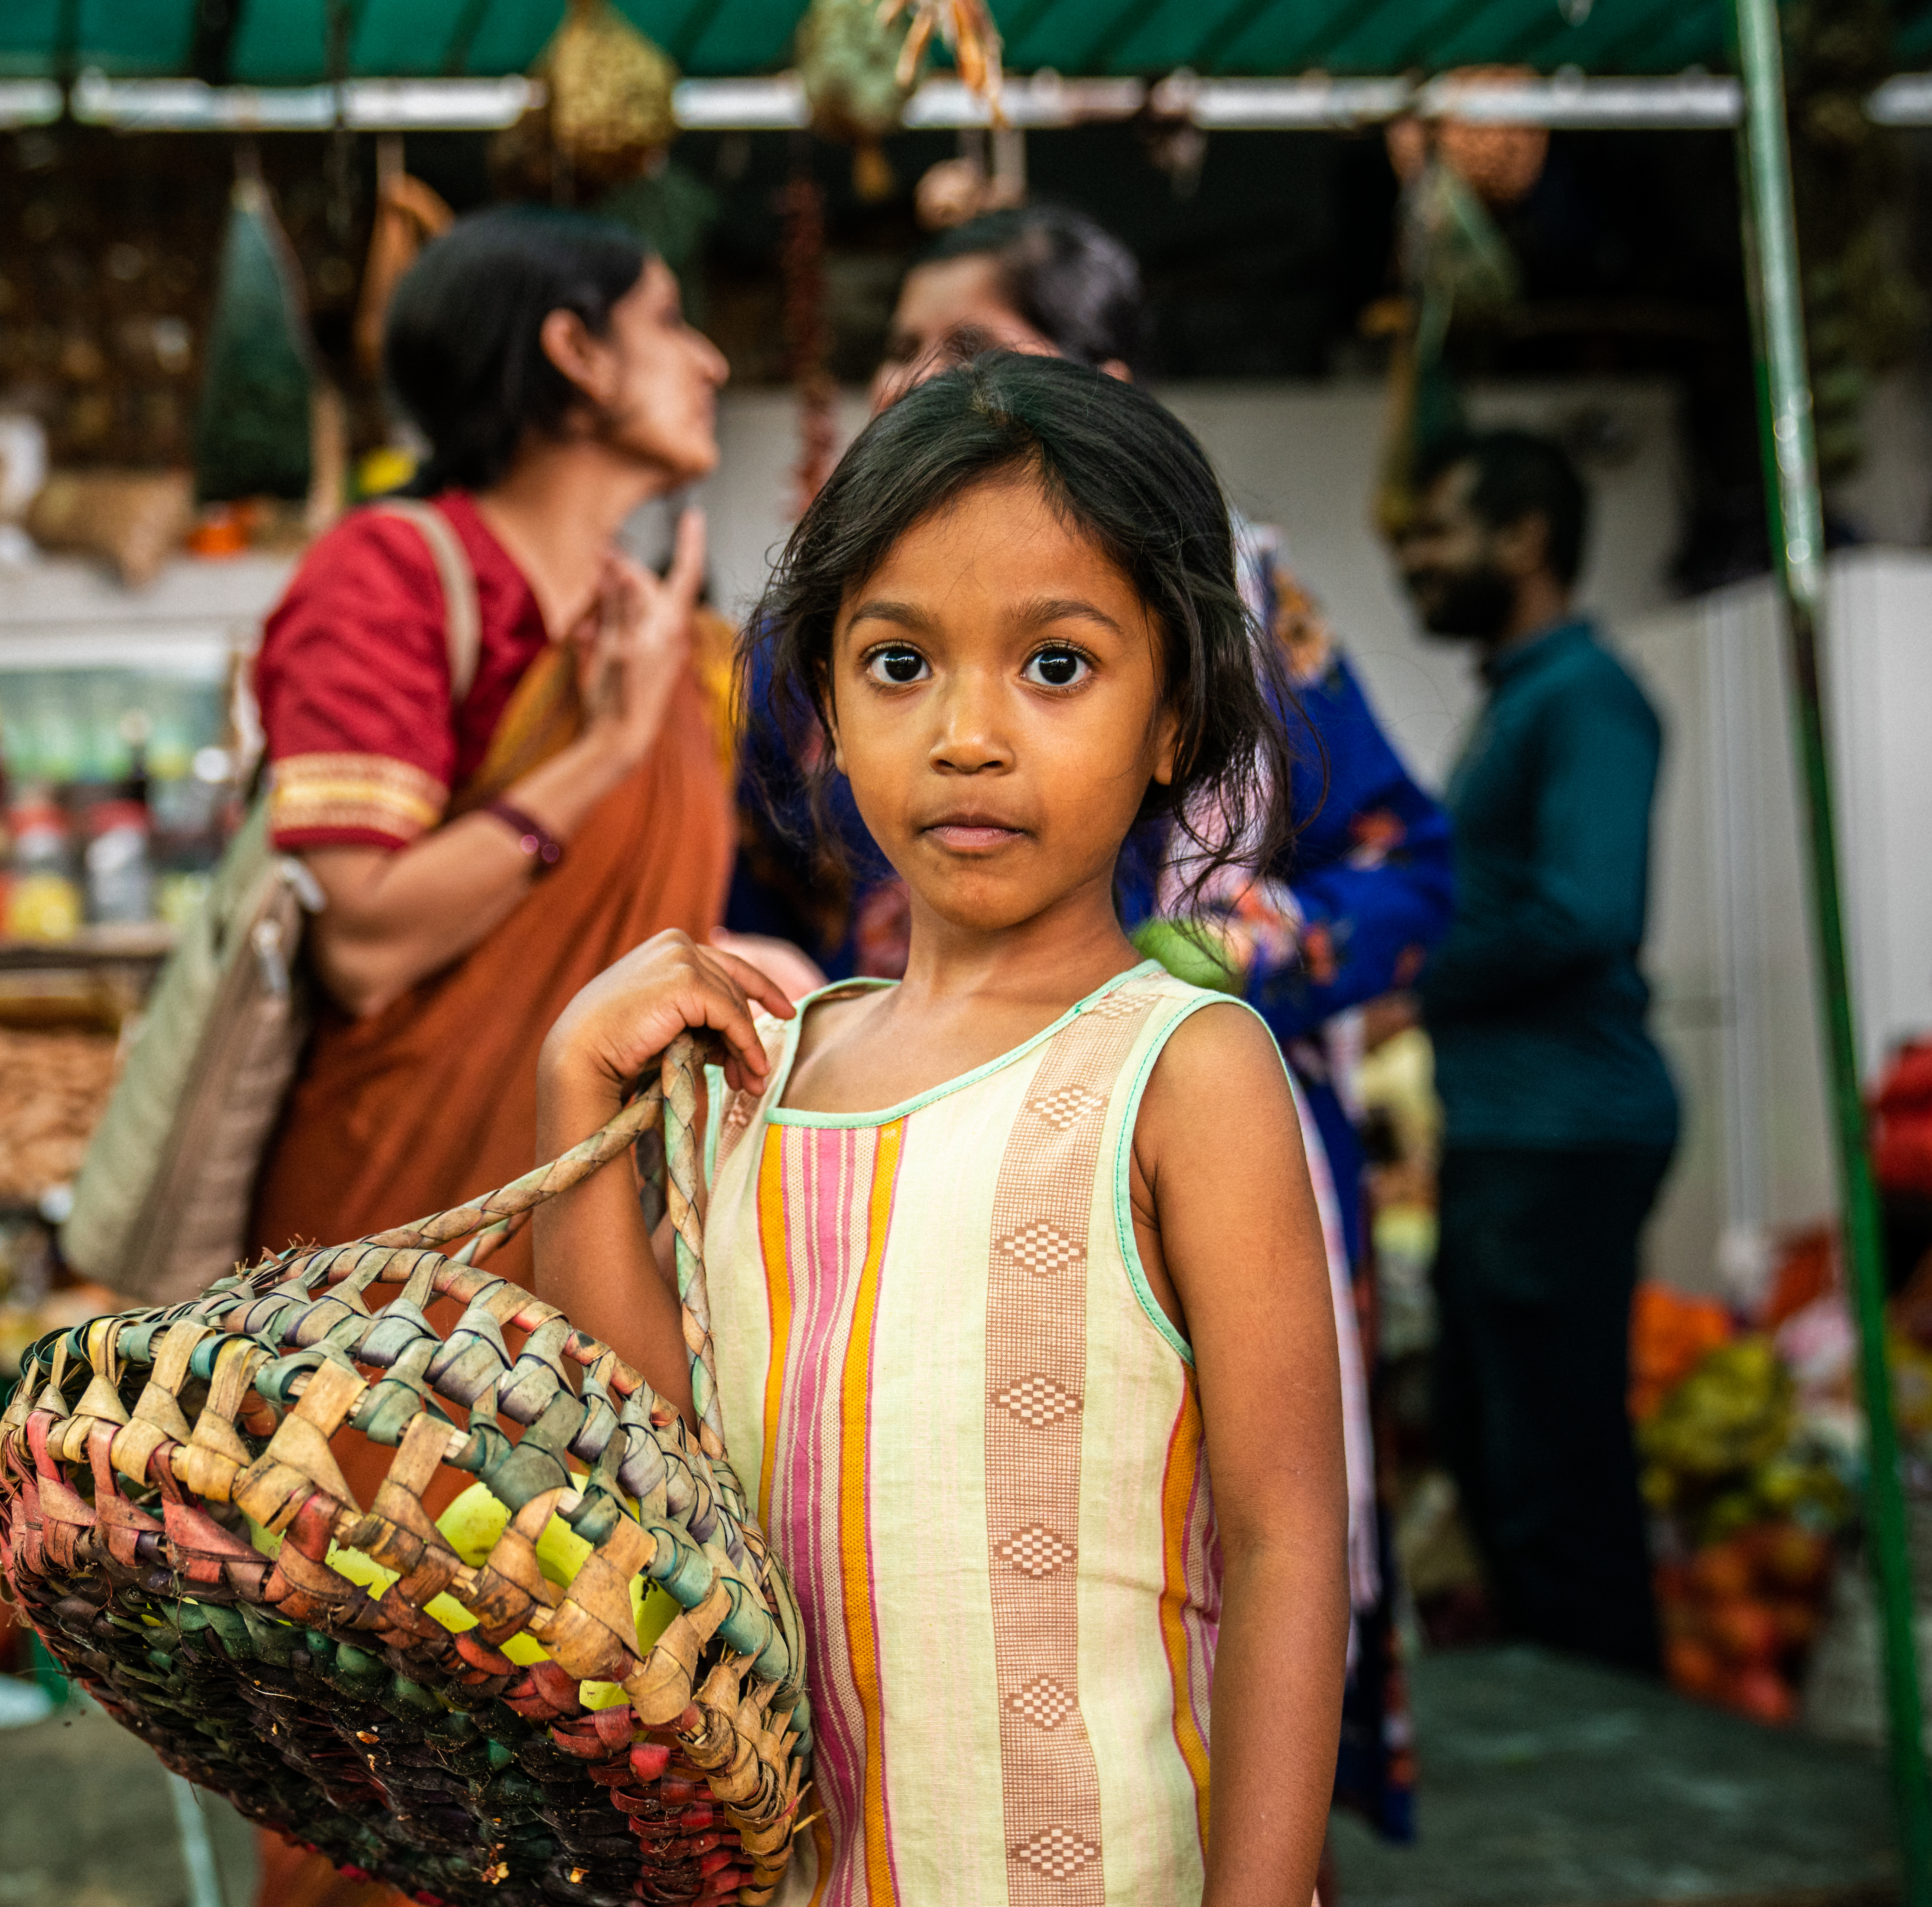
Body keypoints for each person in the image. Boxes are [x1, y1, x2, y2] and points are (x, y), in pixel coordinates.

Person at [541, 353, 1350, 1907]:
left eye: (1055, 668)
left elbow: (1287, 1545)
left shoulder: (1180, 1072)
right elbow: (657, 1501)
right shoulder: (768, 1079)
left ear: (1174, 715)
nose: (968, 735)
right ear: (829, 709)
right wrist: (572, 1088)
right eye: (900, 664)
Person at [731, 199, 1446, 1839]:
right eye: (902, 344)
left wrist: (1249, 947)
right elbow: (766, 868)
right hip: (880, 1128)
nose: (916, 376)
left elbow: (1414, 868)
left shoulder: (1249, 599)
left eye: (965, 346)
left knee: (1208, 1525)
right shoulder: (820, 621)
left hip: (1142, 1116)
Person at [247, 207, 733, 1283]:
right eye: (666, 321)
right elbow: (365, 947)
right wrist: (604, 746)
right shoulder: (392, 580)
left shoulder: (667, 639)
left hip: (611, 1245)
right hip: (395, 1256)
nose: (712, 358)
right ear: (574, 353)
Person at [1398, 426, 1679, 1677]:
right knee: (1496, 1451)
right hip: (1511, 1126)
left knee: (1553, 1479)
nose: (1413, 560)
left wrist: (1401, 969)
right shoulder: (1521, 696)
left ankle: (1627, 1758)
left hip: (1564, 1130)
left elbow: (1583, 911)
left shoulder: (1588, 702)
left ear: (1525, 540)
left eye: (1437, 532)